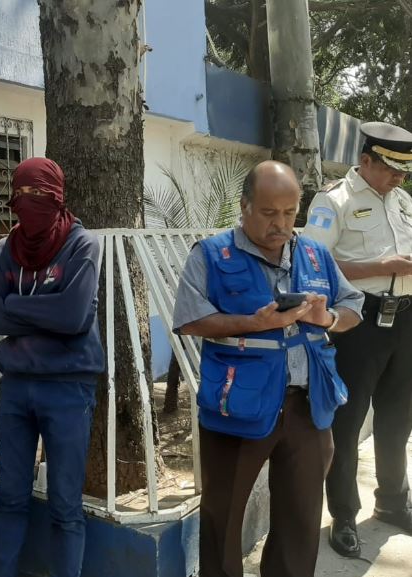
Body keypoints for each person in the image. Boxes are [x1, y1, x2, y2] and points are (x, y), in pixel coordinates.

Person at [173, 160, 363, 577]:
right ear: (244, 206)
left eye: (290, 212)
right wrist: (253, 323)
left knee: (301, 522)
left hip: (309, 408)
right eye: (268, 212)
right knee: (222, 520)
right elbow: (189, 318)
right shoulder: (212, 254)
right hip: (237, 408)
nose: (281, 224)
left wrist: (326, 318)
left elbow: (352, 308)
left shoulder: (315, 254)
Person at [0, 157, 104, 577]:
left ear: (58, 196)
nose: (30, 202)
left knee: (65, 505)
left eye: (40, 193)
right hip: (17, 387)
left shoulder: (81, 244)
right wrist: (47, 309)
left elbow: (75, 318)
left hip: (68, 387)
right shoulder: (4, 249)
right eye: (22, 193)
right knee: (10, 497)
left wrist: (16, 302)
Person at [303, 121, 412, 557]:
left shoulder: (402, 201)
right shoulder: (335, 201)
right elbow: (315, 264)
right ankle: (344, 515)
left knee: (398, 417)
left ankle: (391, 502)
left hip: (407, 318)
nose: (399, 177)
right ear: (365, 160)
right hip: (359, 320)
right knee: (347, 423)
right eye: (391, 168)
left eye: (405, 170)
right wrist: (380, 267)